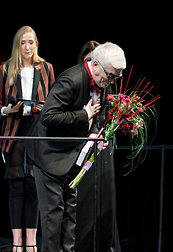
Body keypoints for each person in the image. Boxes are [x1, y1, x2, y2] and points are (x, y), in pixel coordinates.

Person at [26, 42, 126, 251]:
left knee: (70, 215)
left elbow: (99, 111)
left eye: (117, 77)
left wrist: (97, 133)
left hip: (72, 156)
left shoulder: (102, 79)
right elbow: (48, 116)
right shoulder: (71, 79)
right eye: (111, 76)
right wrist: (84, 116)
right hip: (50, 155)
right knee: (53, 218)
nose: (112, 81)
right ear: (95, 64)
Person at [0, 25, 55, 252]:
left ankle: (32, 243)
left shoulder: (46, 68)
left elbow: (53, 102)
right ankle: (17, 243)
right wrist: (8, 110)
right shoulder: (6, 68)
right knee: (17, 187)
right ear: (18, 45)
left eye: (31, 42)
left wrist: (42, 107)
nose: (28, 47)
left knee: (34, 185)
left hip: (37, 131)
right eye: (23, 43)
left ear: (36, 44)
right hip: (15, 131)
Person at [75, 40, 121, 252]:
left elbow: (105, 114)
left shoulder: (105, 86)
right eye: (90, 61)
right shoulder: (77, 83)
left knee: (102, 197)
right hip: (79, 147)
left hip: (100, 146)